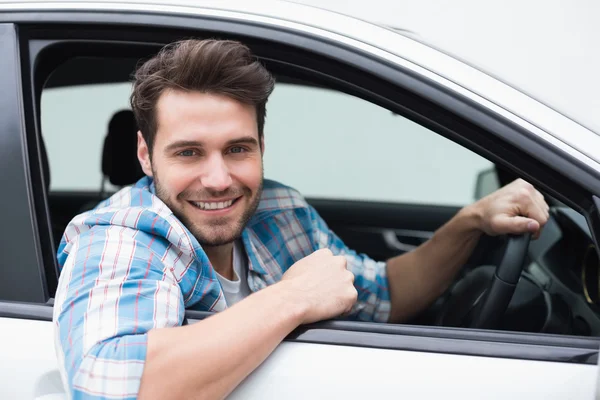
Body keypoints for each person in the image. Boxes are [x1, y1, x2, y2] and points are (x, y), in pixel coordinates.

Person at [53, 39, 549, 399]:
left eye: (237, 149)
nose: (220, 178)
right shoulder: (123, 237)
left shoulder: (275, 209)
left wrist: (469, 221)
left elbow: (386, 295)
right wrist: (291, 298)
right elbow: (105, 385)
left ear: (262, 147)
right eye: (188, 153)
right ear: (145, 155)